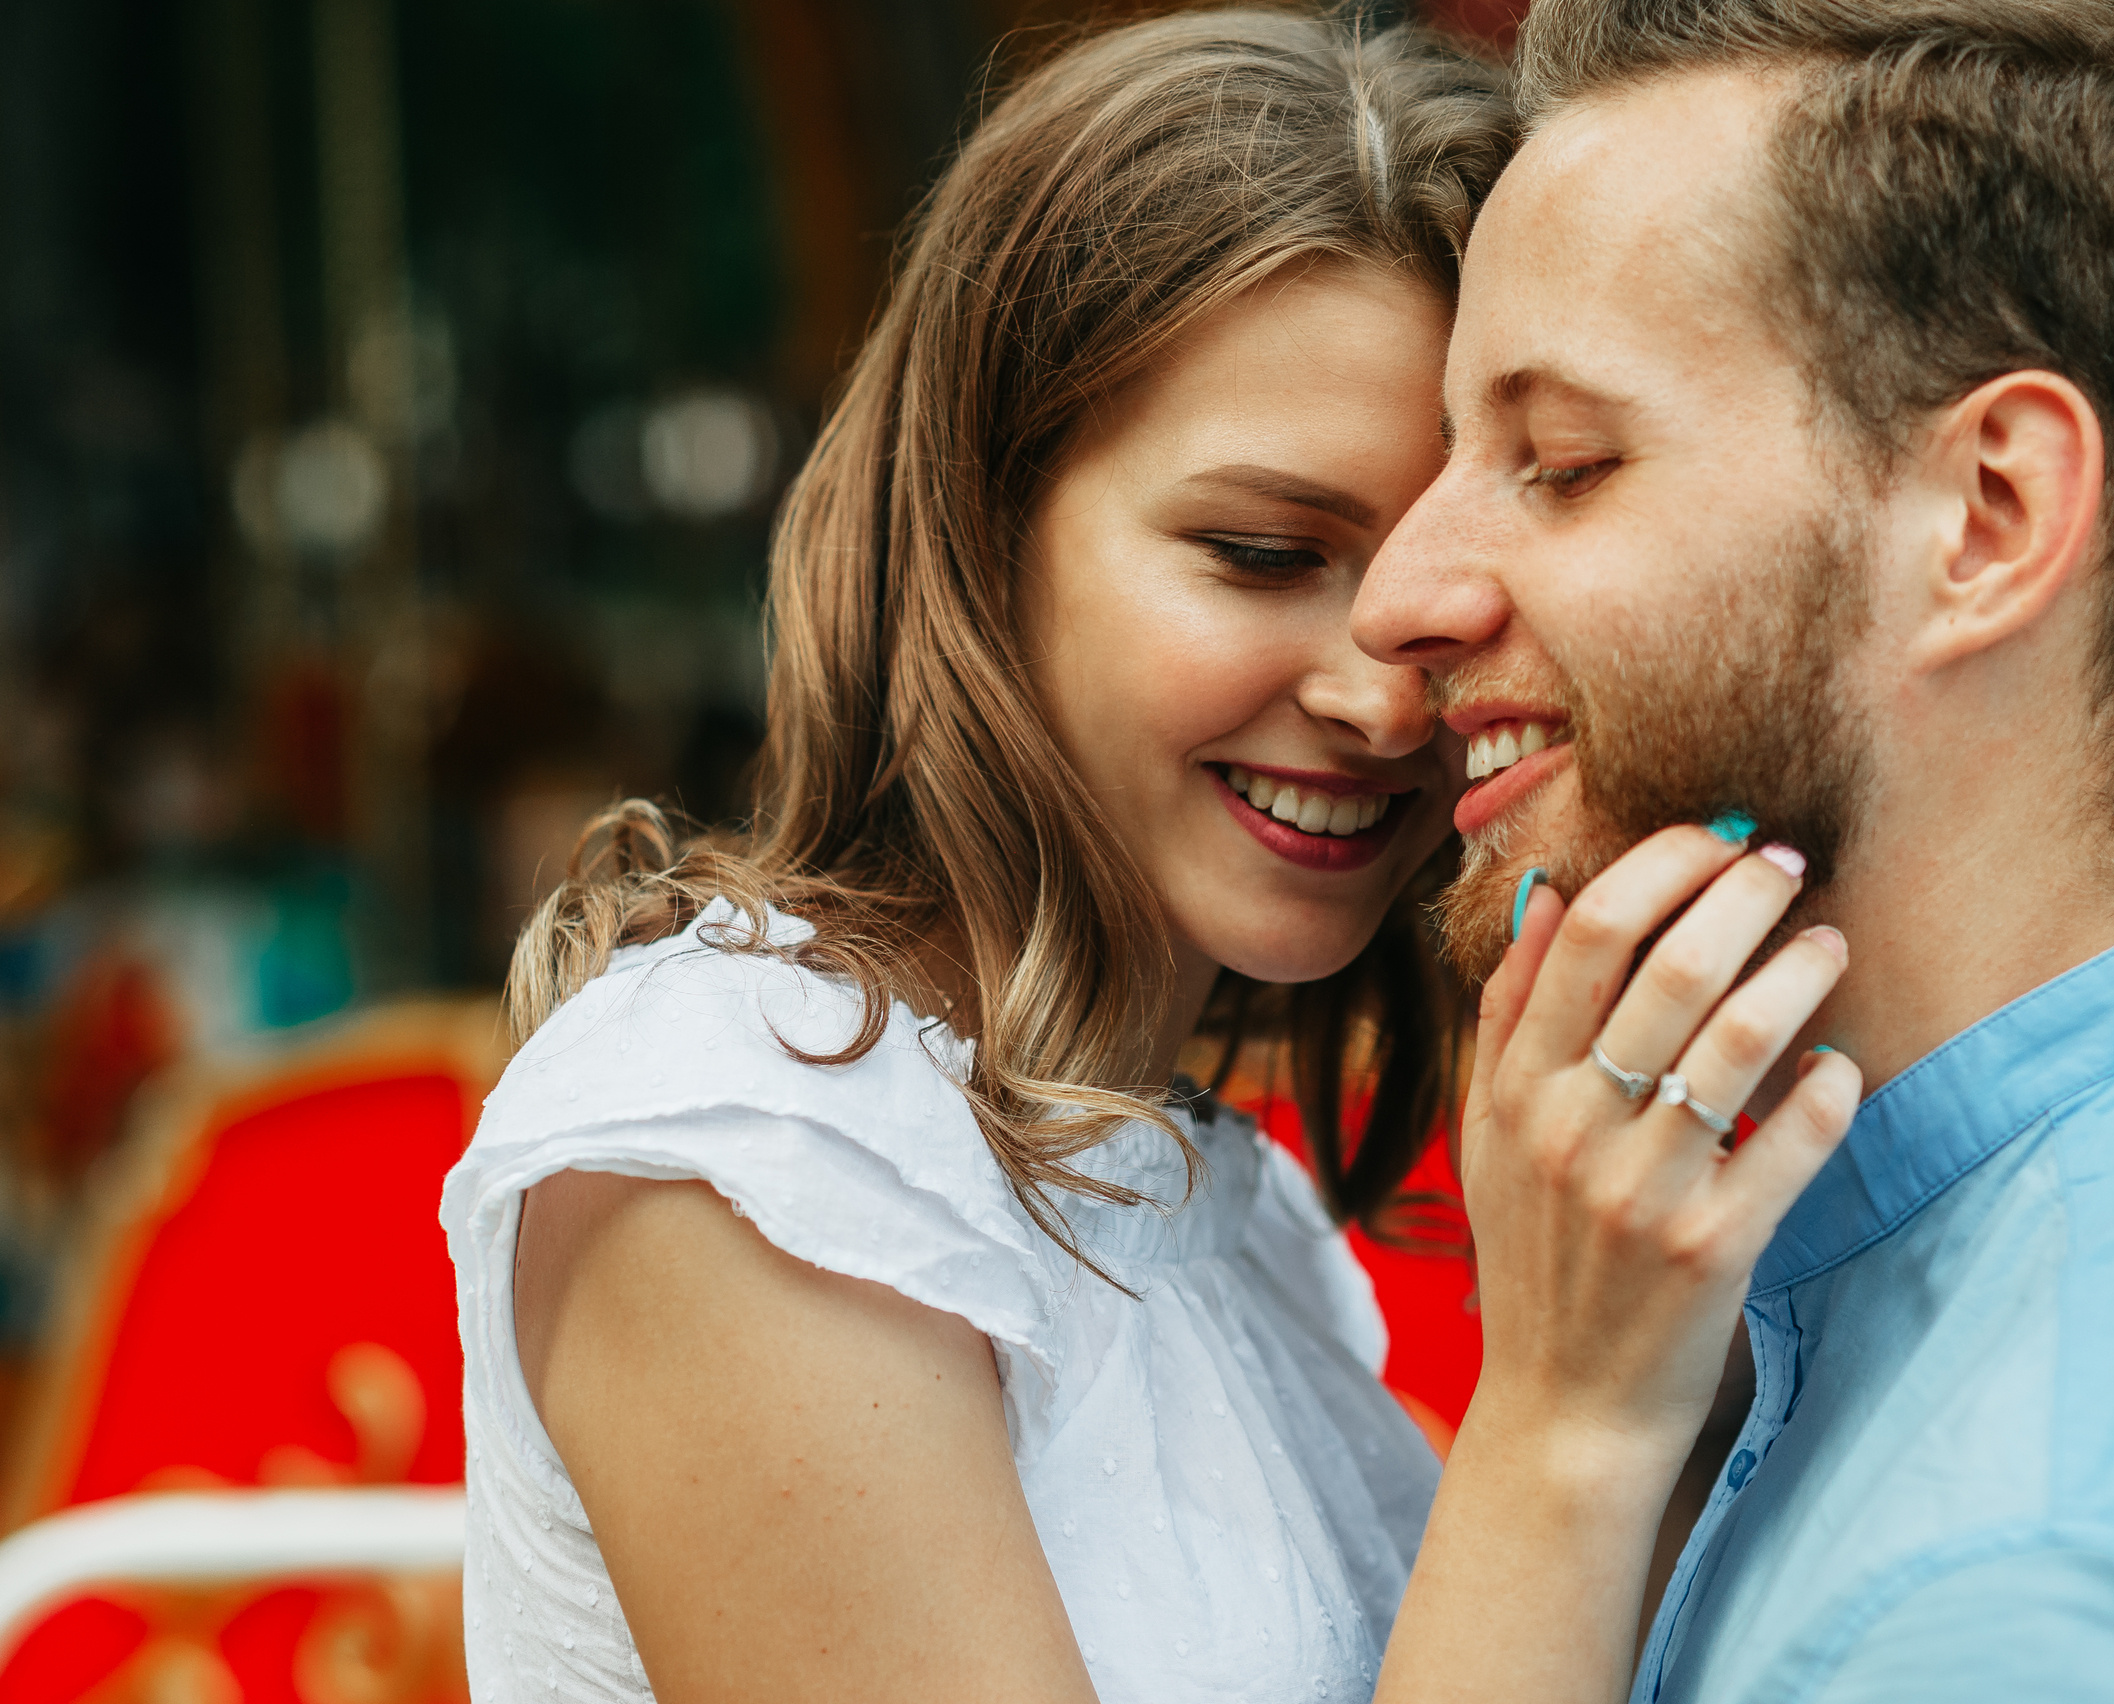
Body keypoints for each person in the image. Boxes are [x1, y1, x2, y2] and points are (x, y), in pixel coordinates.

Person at [444, 11, 1863, 1703]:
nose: (1378, 693)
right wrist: (1564, 1414)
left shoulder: (1225, 1214)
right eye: (1263, 553)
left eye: (1457, 580)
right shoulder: (751, 1147)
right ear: (982, 530)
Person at [1353, 0, 2114, 1699]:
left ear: (1988, 517)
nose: (1396, 602)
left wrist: (1554, 1440)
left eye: (1563, 464)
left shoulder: (2026, 1595)